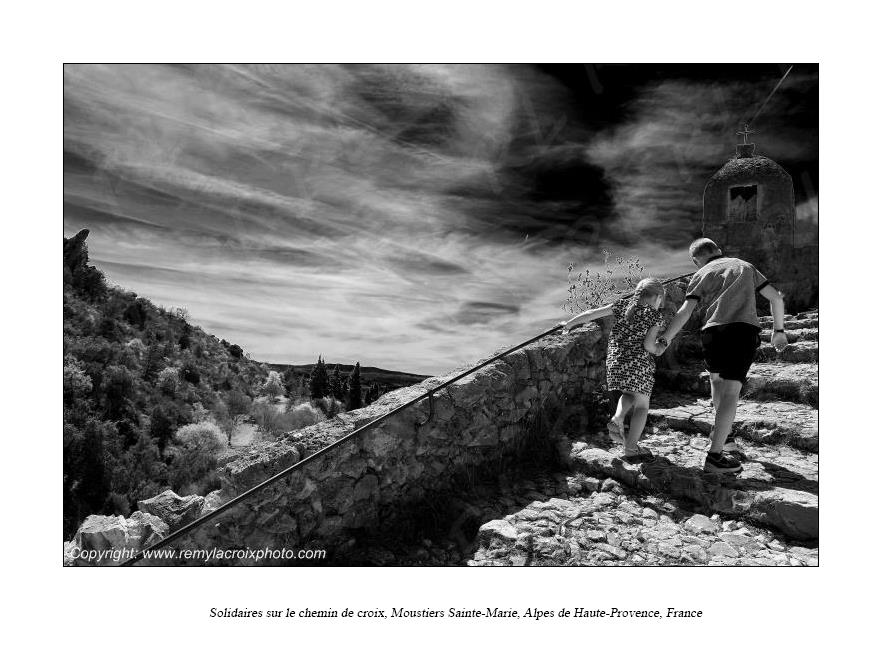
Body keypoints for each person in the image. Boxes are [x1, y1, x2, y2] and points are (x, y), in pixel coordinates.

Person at [659, 238, 788, 474]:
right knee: (731, 390)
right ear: (718, 250)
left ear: (697, 260)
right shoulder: (744, 266)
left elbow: (685, 311)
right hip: (740, 330)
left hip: (711, 333)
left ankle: (725, 437)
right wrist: (778, 332)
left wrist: (665, 339)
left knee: (716, 382)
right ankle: (715, 456)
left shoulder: (701, 273)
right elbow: (776, 297)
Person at [563, 277, 668, 462]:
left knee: (629, 395)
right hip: (638, 363)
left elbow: (590, 313)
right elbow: (648, 346)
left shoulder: (622, 305)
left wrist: (570, 323)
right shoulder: (655, 316)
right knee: (642, 405)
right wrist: (660, 347)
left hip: (617, 362)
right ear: (657, 297)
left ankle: (618, 417)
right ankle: (631, 448)